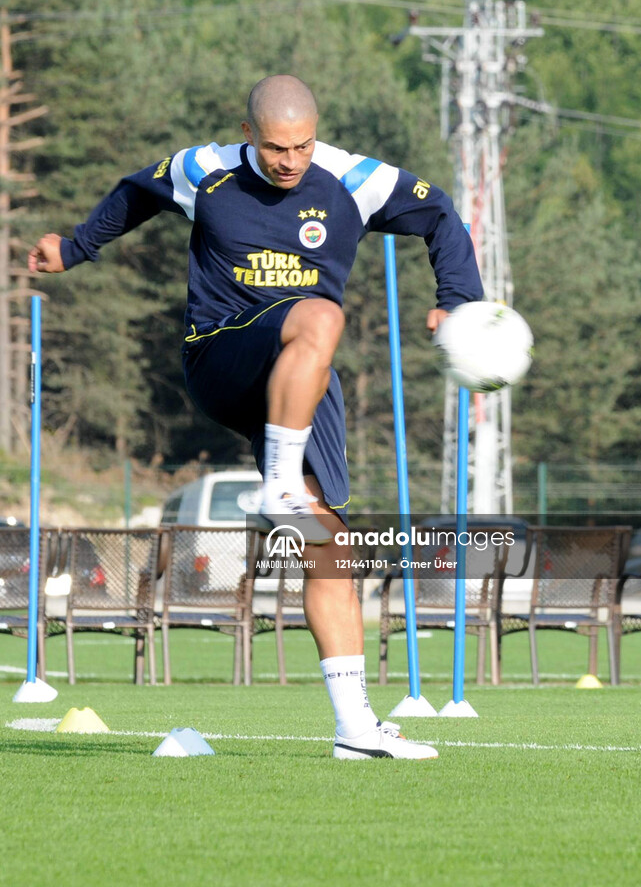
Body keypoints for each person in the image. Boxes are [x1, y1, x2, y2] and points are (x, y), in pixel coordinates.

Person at [29, 75, 483, 760]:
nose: (290, 161)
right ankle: (277, 480)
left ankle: (355, 730)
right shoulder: (202, 171)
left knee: (329, 544)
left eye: (301, 145)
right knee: (322, 314)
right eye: (275, 147)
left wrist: (456, 297)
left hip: (303, 381)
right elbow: (135, 191)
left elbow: (440, 213)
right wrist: (77, 246)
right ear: (249, 136)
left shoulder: (352, 179)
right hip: (222, 359)